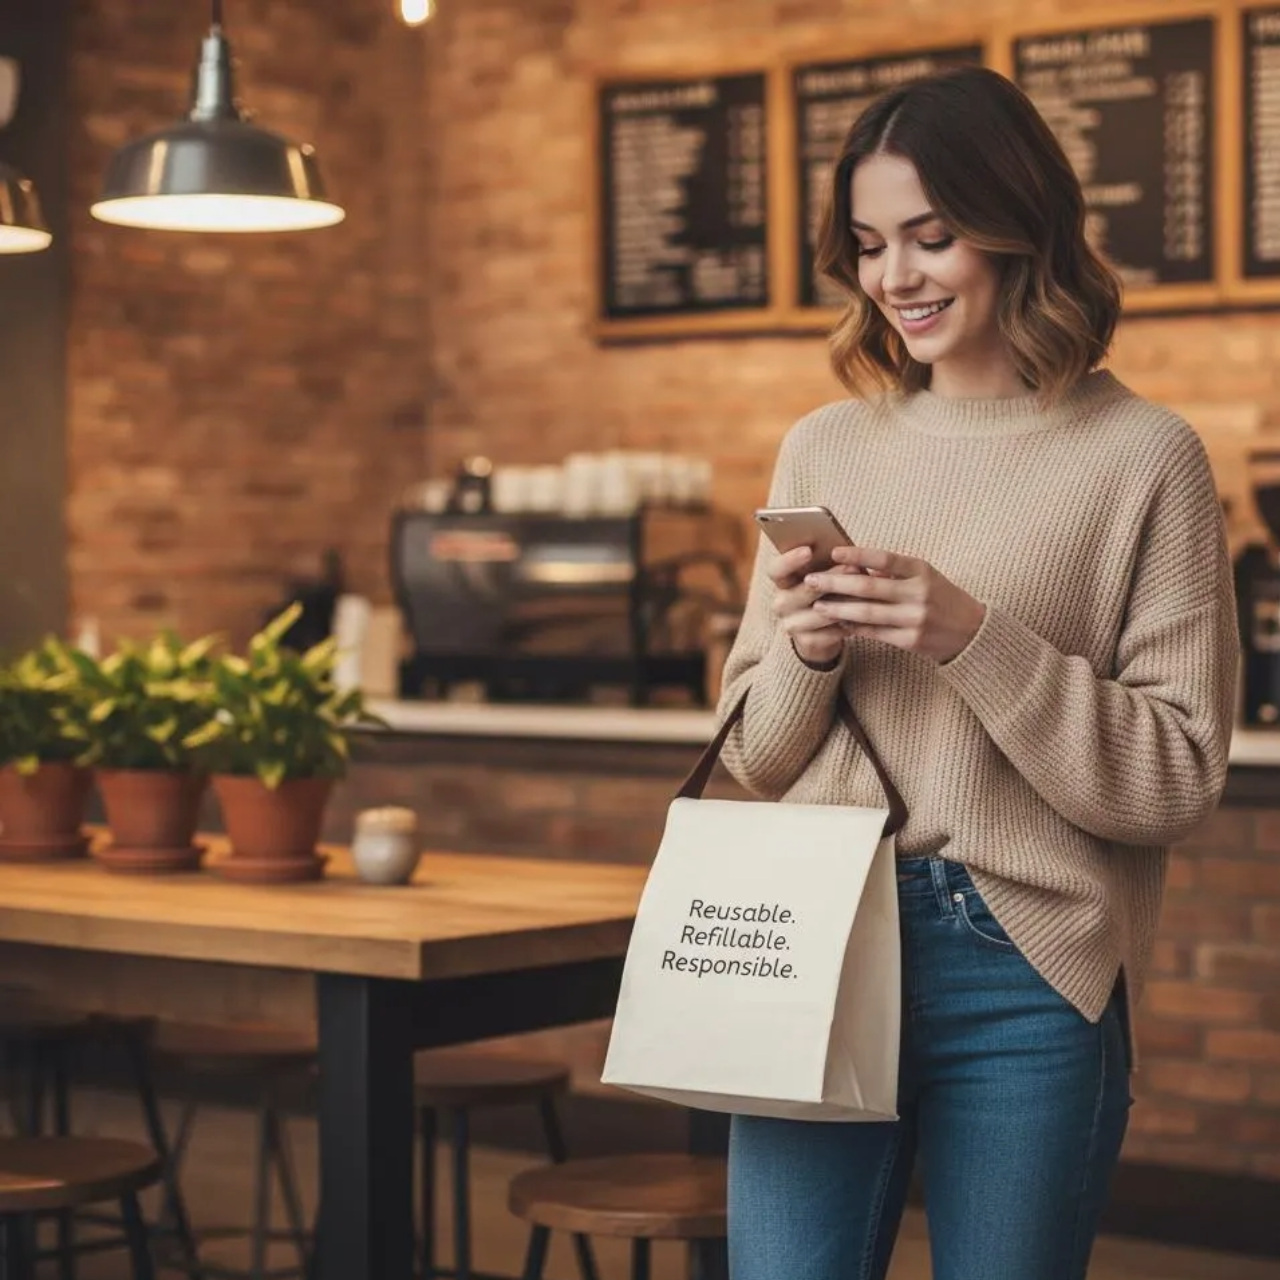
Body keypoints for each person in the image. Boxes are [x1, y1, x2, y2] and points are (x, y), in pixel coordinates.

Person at [718, 65, 1237, 1280]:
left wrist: (970, 637)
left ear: (1017, 226)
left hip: (1027, 958)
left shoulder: (1143, 457)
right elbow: (753, 752)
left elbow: (1172, 780)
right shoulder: (823, 442)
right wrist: (804, 647)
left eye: (929, 236)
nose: (893, 277)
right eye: (865, 244)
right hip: (814, 938)